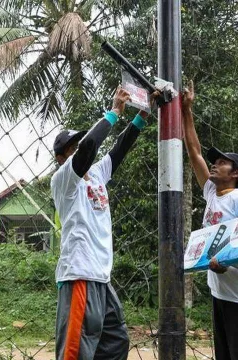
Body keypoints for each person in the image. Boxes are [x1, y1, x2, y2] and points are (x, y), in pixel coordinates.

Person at [51, 87, 154, 360]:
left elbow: (118, 150)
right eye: (70, 149)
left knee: (115, 343)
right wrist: (114, 112)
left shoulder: (95, 174)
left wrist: (141, 116)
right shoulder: (64, 179)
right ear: (61, 158)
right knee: (75, 353)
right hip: (80, 275)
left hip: (101, 278)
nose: (77, 150)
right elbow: (87, 149)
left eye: (78, 145)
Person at [181, 80, 238, 360]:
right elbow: (194, 151)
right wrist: (186, 110)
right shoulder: (211, 193)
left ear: (237, 173)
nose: (215, 163)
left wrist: (226, 261)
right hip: (220, 293)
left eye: (222, 161)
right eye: (214, 161)